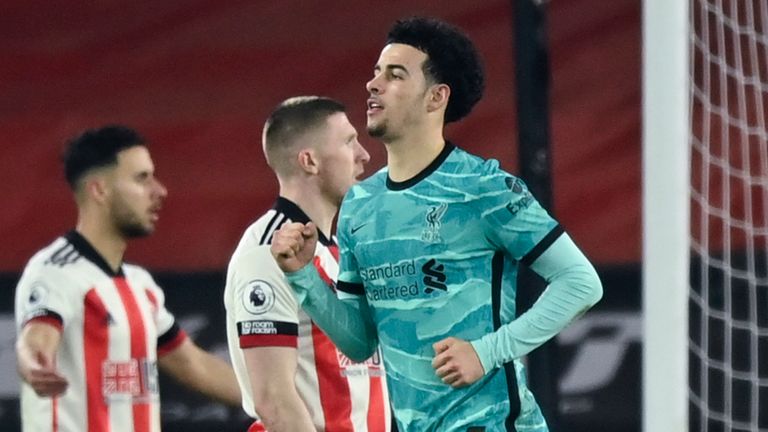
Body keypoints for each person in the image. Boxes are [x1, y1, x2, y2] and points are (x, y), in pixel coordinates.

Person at [271, 17, 603, 432]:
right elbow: (359, 342)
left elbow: (581, 283)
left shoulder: (484, 188)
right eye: (375, 73)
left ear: (436, 97)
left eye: (394, 75)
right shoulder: (359, 205)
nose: (373, 85)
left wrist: (486, 351)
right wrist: (304, 276)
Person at [14, 125, 241, 432]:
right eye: (141, 178)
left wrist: (281, 404)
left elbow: (194, 365)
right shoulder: (53, 272)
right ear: (100, 190)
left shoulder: (139, 285)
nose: (159, 190)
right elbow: (36, 339)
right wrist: (35, 365)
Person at [223, 96, 391, 432]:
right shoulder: (267, 253)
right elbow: (274, 402)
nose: (364, 155)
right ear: (309, 161)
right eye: (348, 142)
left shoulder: (341, 249)